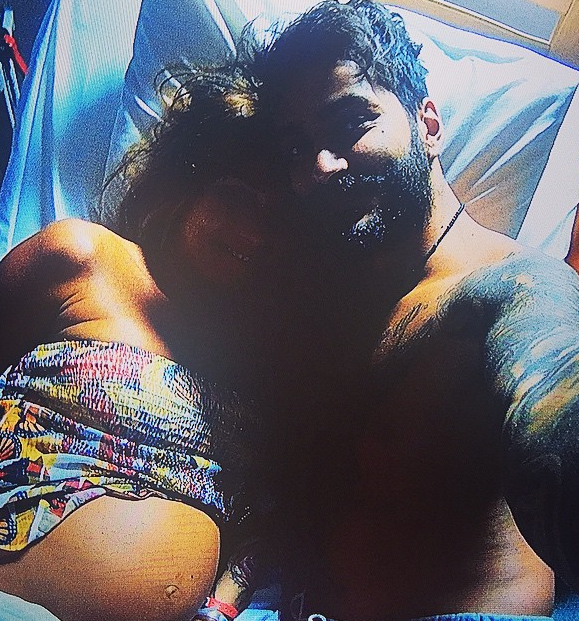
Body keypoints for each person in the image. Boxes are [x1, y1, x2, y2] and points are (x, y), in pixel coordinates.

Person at [226, 2, 579, 620]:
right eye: (296, 148)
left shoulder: (511, 289)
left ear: (428, 125)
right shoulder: (333, 306)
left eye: (350, 123)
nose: (320, 167)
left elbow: (555, 406)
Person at [0, 71, 291, 621]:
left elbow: (266, 522)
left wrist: (223, 605)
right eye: (238, 197)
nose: (256, 233)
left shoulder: (268, 358)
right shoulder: (81, 260)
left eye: (279, 216)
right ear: (187, 183)